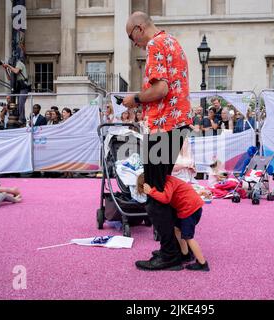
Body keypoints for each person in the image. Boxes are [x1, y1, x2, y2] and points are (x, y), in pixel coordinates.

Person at [122, 11, 192, 271]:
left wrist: (135, 99)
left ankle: (169, 255)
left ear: (139, 29)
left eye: (131, 37)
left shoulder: (155, 45)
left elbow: (160, 89)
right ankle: (179, 249)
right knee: (166, 191)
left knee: (153, 192)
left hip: (163, 126)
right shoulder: (173, 41)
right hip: (177, 122)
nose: (134, 43)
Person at [138, 174, 209, 272]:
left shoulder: (168, 182)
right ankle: (185, 254)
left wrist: (151, 191)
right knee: (177, 229)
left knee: (188, 237)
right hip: (189, 208)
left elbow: (166, 198)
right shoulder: (167, 179)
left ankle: (202, 263)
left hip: (190, 209)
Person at [2, 59, 30, 125]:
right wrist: (6, 69)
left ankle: (22, 119)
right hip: (17, 87)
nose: (9, 63)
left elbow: (16, 71)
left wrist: (8, 66)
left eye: (10, 62)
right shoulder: (12, 66)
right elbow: (9, 78)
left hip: (23, 86)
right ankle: (19, 117)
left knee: (20, 103)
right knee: (16, 103)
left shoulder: (19, 63)